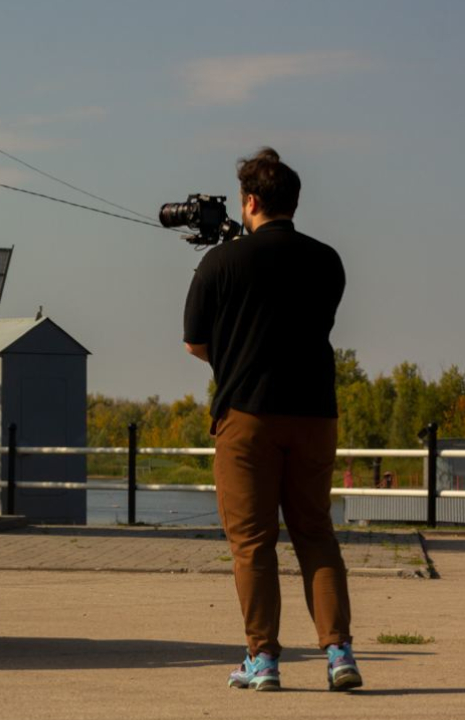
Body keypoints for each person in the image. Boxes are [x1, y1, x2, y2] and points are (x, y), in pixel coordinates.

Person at [183, 148, 360, 692]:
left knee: (253, 542)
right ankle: (339, 653)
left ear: (250, 200)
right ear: (293, 201)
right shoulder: (328, 260)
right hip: (314, 415)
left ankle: (263, 659)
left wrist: (234, 359)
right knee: (315, 534)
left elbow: (195, 343)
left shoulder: (219, 263)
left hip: (247, 417)